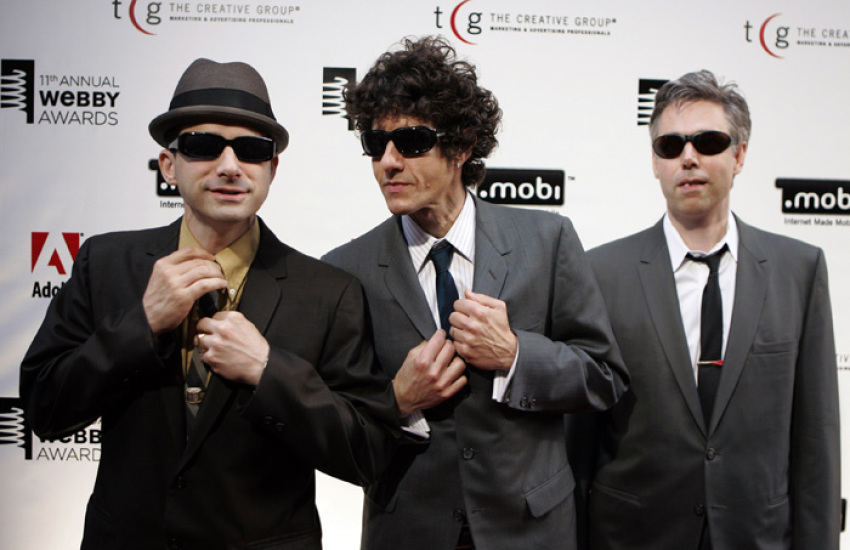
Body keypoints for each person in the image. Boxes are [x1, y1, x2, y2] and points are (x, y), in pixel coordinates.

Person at [20, 58, 400, 550]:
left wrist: (269, 372)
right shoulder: (106, 261)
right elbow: (44, 409)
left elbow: (367, 451)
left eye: (250, 149)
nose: (228, 166)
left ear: (272, 168)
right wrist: (142, 323)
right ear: (168, 164)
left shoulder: (328, 290)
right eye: (202, 146)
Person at [322, 36, 628, 550]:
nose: (388, 162)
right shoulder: (345, 269)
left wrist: (514, 355)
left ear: (461, 147)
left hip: (530, 529)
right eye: (376, 145)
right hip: (407, 529)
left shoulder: (547, 241)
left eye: (412, 142)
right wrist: (396, 400)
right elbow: (333, 420)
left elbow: (603, 377)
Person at [582, 70, 840, 549]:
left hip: (758, 536)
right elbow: (579, 437)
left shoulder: (799, 270)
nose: (689, 157)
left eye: (709, 141)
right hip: (633, 535)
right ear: (655, 162)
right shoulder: (600, 273)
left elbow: (816, 439)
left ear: (739, 155)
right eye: (670, 145)